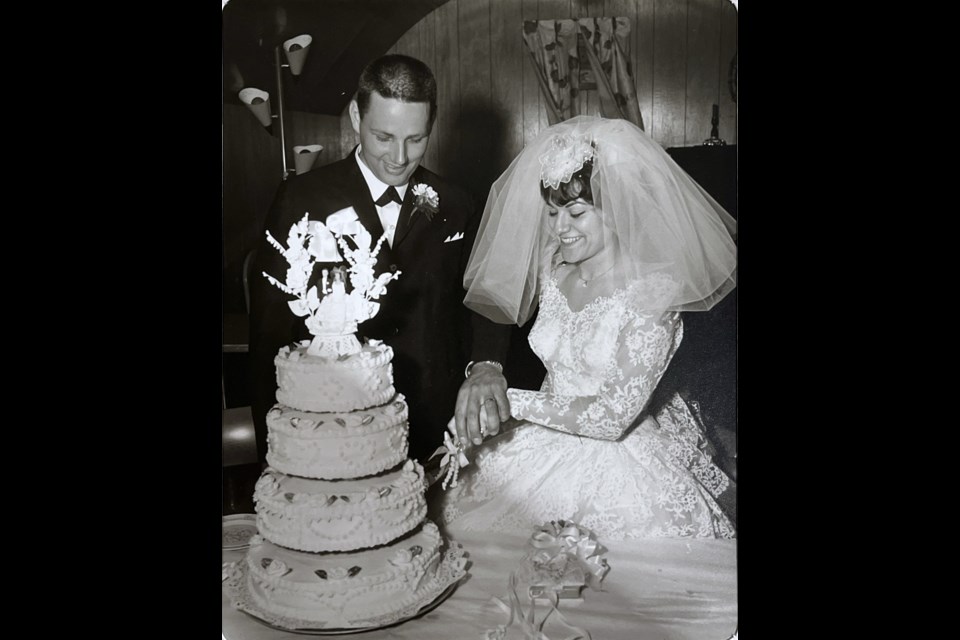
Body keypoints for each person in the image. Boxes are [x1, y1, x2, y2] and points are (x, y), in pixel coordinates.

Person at [439, 116, 737, 539]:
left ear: (616, 210)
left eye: (576, 212)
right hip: (542, 441)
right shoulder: (552, 271)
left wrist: (504, 401)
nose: (560, 228)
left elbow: (611, 418)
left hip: (621, 462)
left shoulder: (653, 296)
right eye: (551, 213)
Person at [249, 54, 510, 464]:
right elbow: (269, 337)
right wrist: (275, 453)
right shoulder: (301, 200)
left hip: (436, 428)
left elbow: (485, 297)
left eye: (416, 139)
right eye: (383, 137)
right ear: (356, 116)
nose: (400, 158)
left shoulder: (459, 204)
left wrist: (486, 365)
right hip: (335, 430)